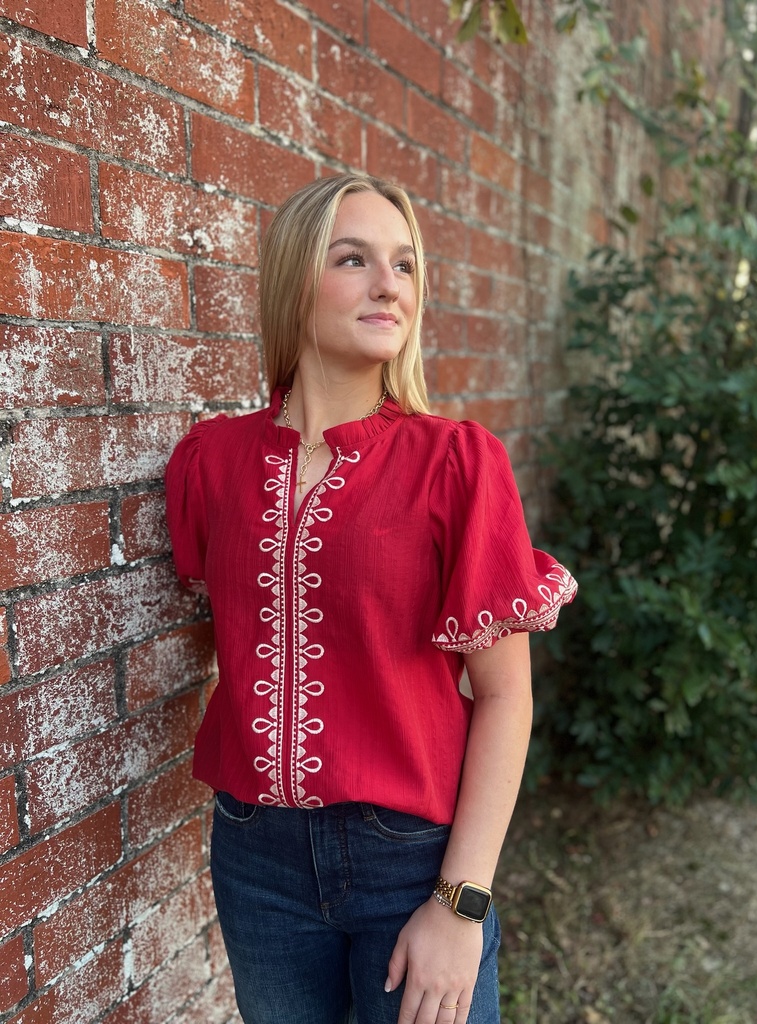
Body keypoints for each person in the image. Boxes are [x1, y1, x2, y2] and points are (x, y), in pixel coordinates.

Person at [164, 172, 576, 1024]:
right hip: (255, 858)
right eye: (353, 259)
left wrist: (460, 904)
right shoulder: (210, 463)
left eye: (405, 264)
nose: (390, 284)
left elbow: (506, 697)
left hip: (411, 860)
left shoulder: (455, 464)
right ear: (294, 281)